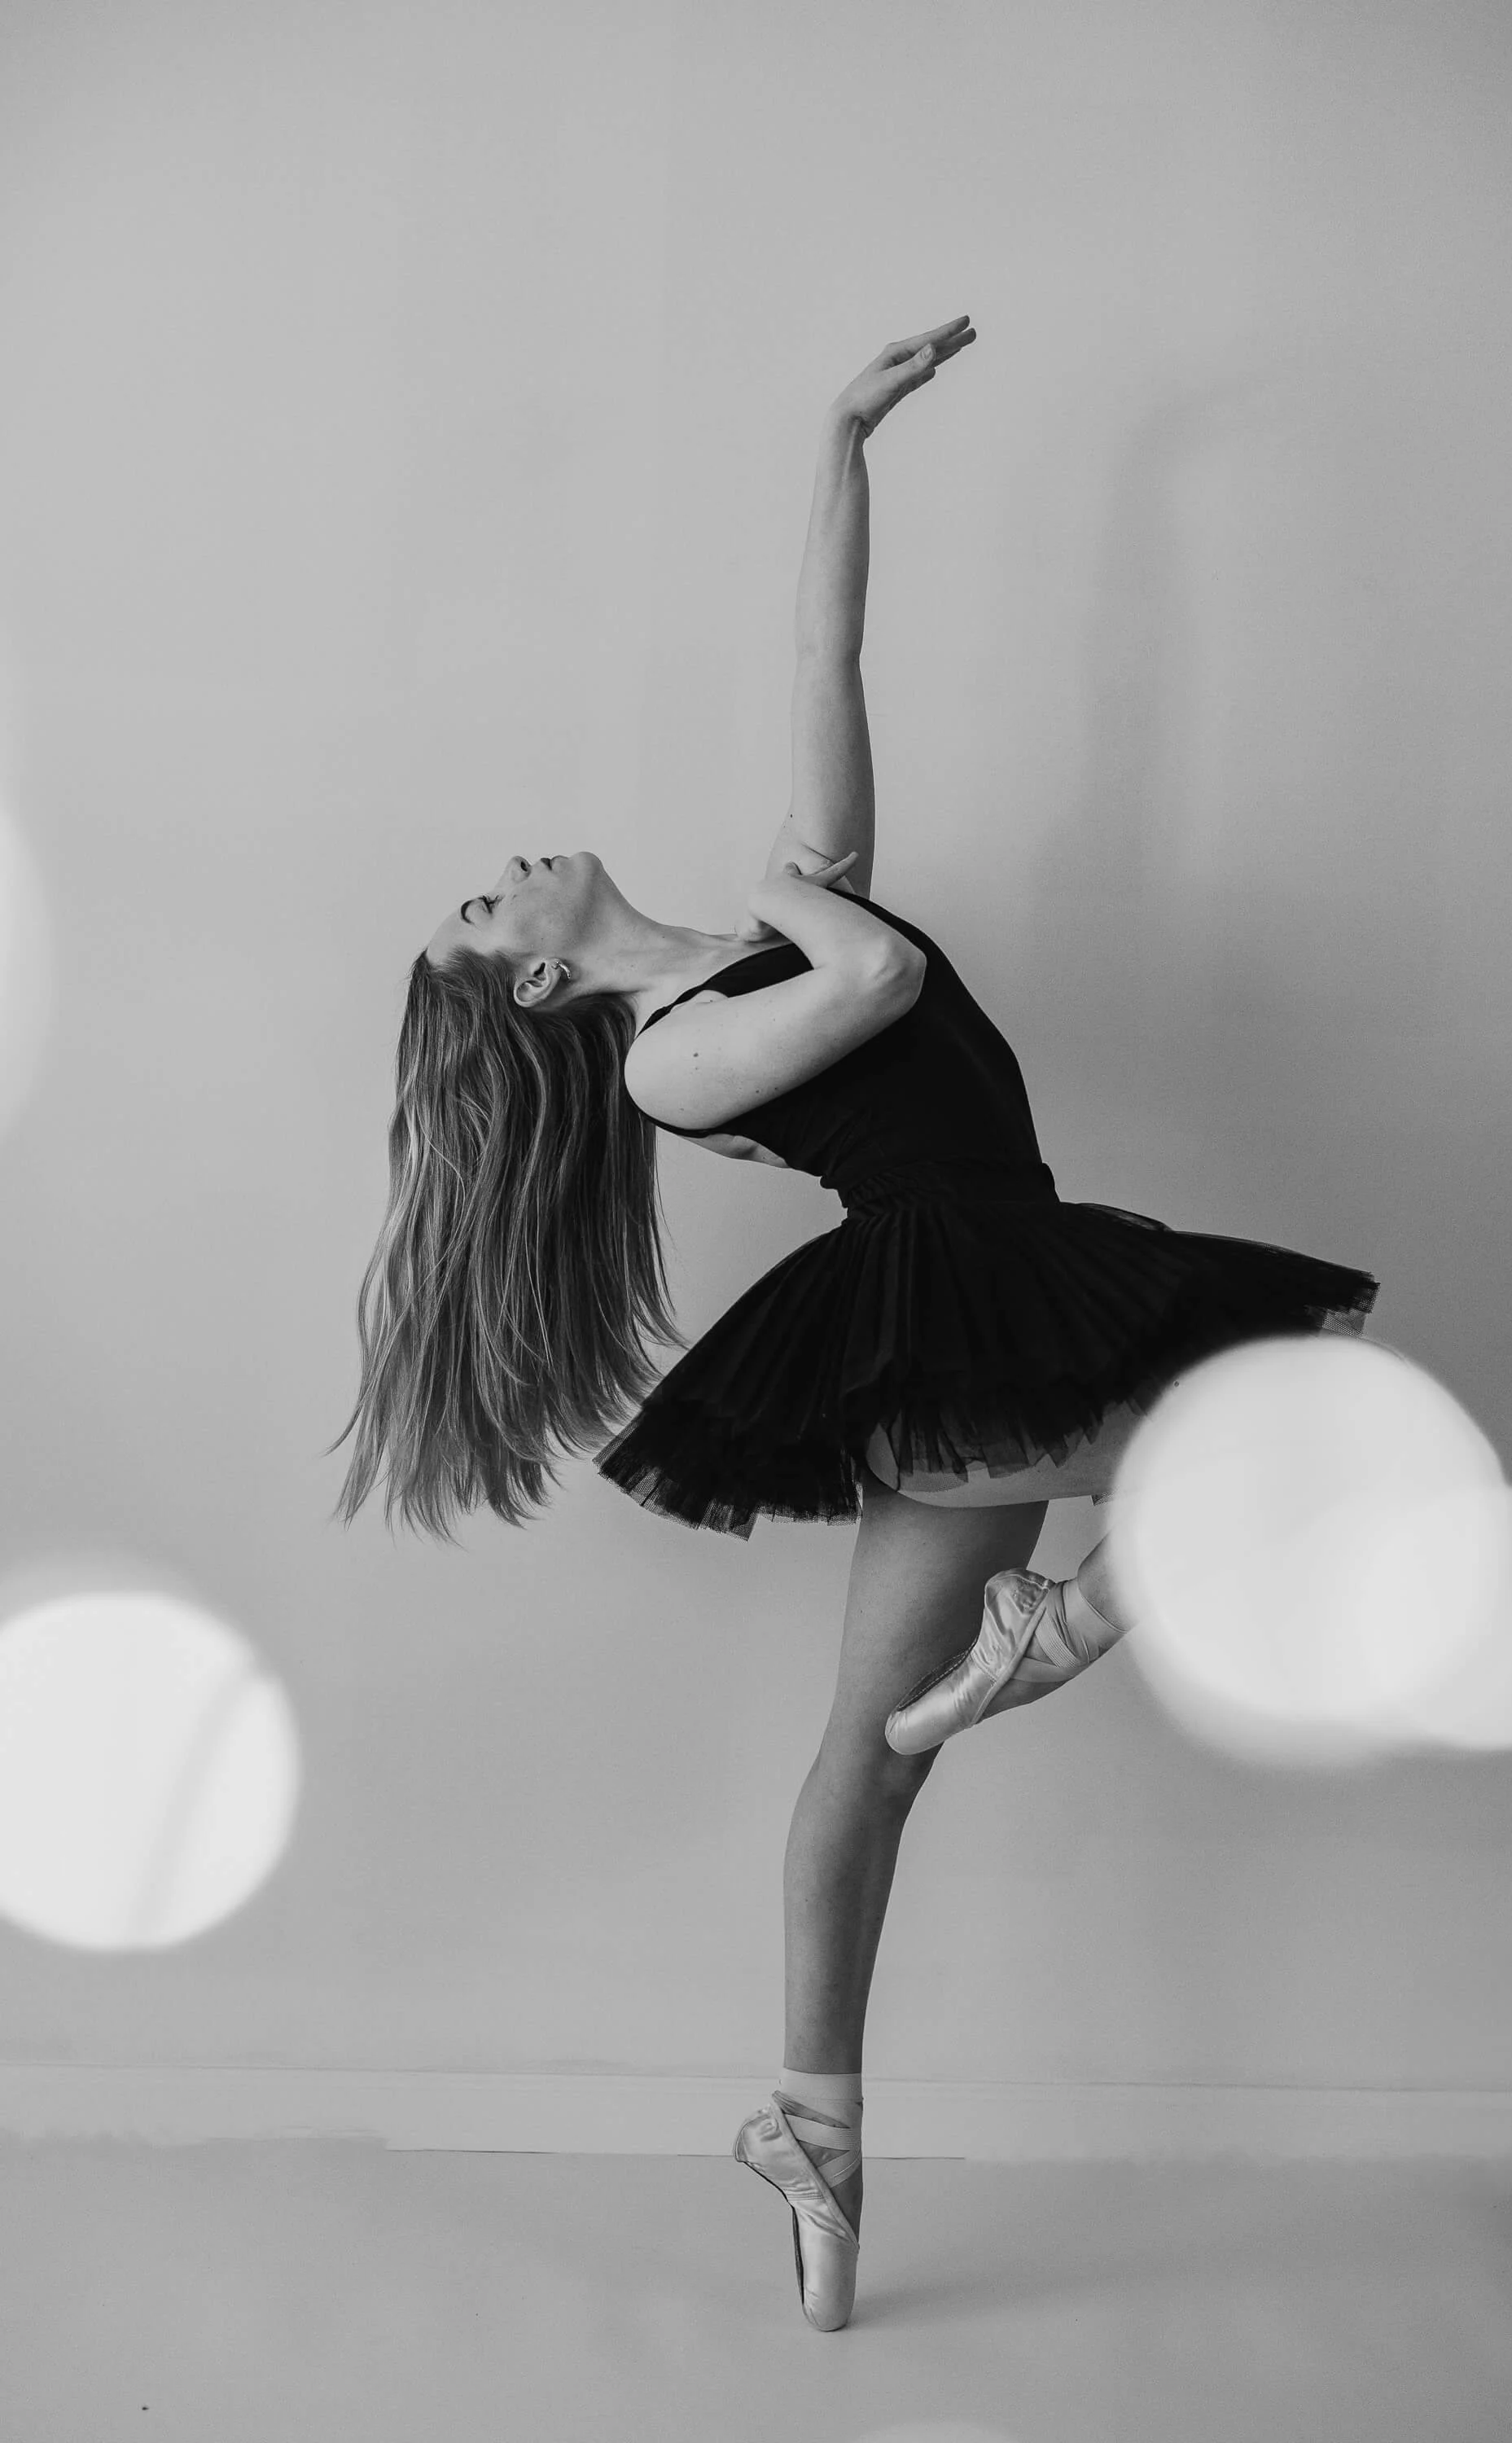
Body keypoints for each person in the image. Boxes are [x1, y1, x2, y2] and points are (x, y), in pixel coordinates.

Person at [332, 317, 1378, 2333]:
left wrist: (840, 436)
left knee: (868, 1759)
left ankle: (808, 2138)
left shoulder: (759, 916)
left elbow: (827, 666)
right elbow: (879, 983)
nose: (509, 871)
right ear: (536, 995)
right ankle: (1054, 1634)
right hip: (946, 1291)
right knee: (1269, 1428)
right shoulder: (660, 1057)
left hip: (1015, 1279)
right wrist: (805, 896)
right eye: (485, 909)